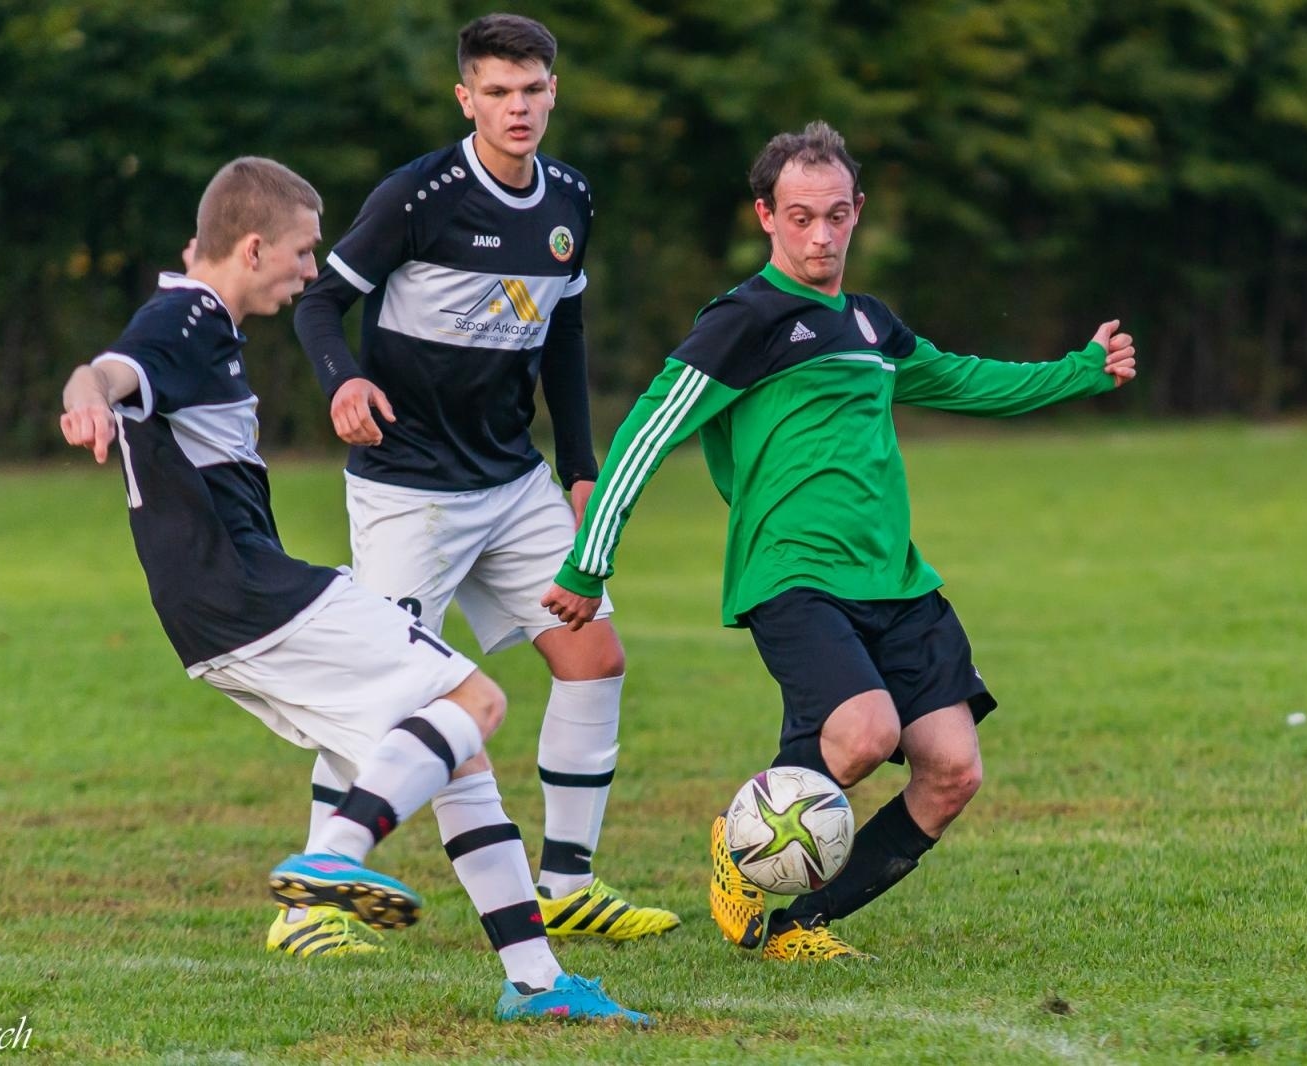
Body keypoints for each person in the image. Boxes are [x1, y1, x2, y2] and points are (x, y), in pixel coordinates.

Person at [59, 156, 648, 1024]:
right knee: (473, 699)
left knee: (458, 756)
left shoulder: (199, 314)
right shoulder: (186, 314)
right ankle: (334, 853)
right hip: (253, 593)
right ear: (253, 247)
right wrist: (87, 397)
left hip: (212, 618)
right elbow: (110, 370)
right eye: (302, 253)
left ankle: (537, 983)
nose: (311, 273)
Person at [542, 121, 1138, 962]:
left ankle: (793, 929)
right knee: (865, 736)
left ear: (857, 212)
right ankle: (741, 842)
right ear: (765, 217)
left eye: (833, 215)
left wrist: (1079, 370)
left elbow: (964, 379)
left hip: (897, 581)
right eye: (798, 217)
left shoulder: (870, 325)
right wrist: (586, 563)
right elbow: (647, 432)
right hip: (792, 577)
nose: (819, 235)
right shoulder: (741, 321)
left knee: (952, 771)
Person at [292, 13, 677, 948]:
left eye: (533, 91)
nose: (518, 108)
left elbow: (567, 340)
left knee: (594, 658)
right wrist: (344, 381)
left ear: (554, 94)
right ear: (466, 98)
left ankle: (566, 886)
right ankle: (309, 904)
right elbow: (318, 303)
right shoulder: (419, 195)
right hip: (410, 487)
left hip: (512, 484)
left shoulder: (571, 200)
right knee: (382, 688)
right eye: (498, 92)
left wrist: (581, 470)